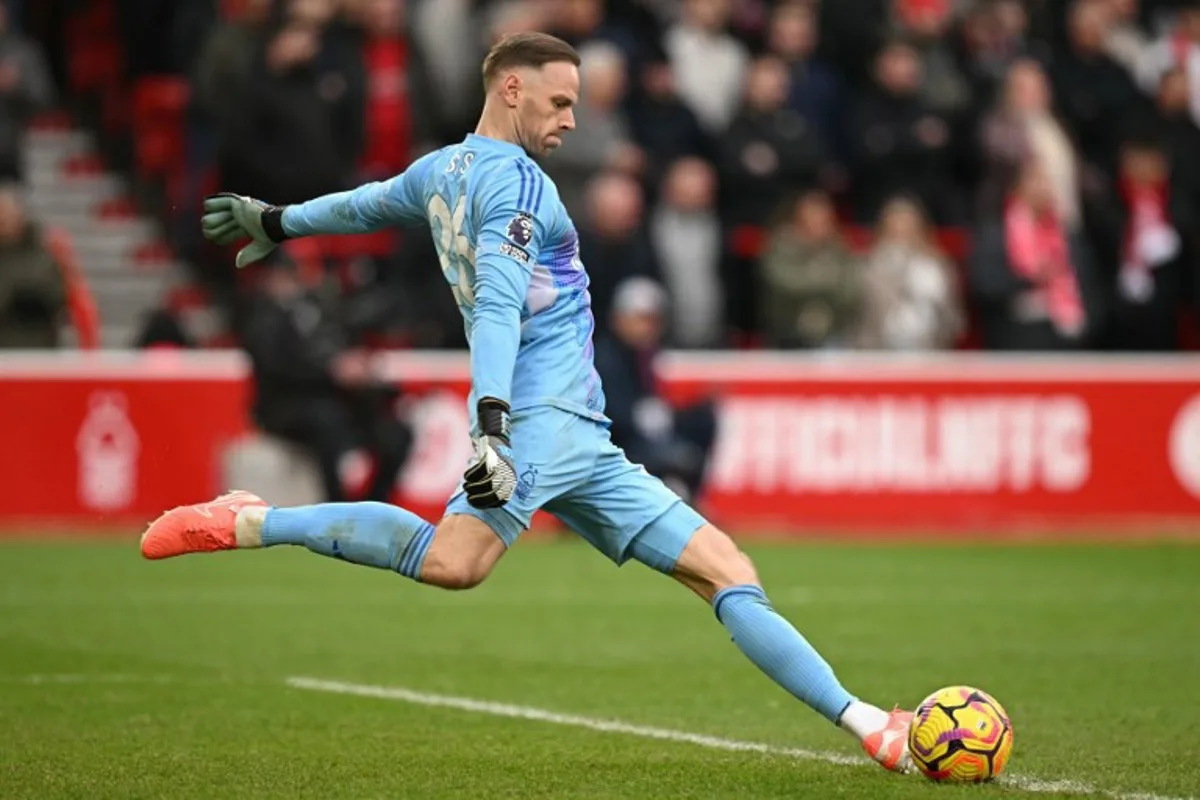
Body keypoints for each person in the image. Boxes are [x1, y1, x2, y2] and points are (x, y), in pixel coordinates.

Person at [140, 32, 915, 774]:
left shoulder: (442, 170)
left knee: (725, 570)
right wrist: (492, 428)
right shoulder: (516, 183)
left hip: (581, 437)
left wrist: (280, 221)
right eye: (560, 101)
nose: (571, 120)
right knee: (454, 563)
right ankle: (253, 520)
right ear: (513, 88)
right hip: (541, 424)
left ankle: (871, 726)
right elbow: (499, 308)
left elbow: (368, 204)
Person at [593, 276, 717, 503]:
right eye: (641, 319)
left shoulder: (644, 355)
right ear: (619, 319)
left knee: (703, 417)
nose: (648, 328)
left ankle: (695, 500)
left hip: (647, 434)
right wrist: (642, 416)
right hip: (619, 442)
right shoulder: (604, 357)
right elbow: (611, 415)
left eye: (653, 320)